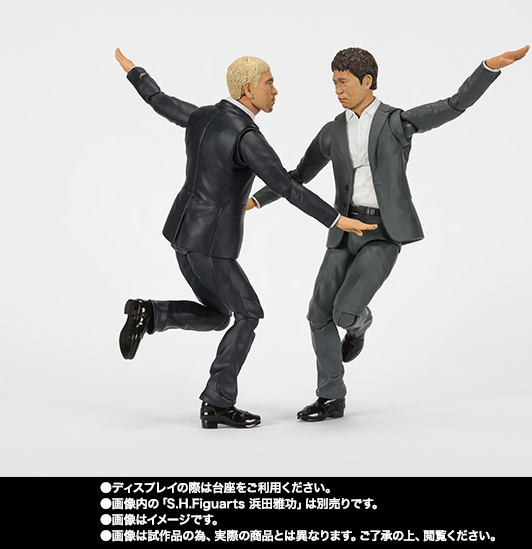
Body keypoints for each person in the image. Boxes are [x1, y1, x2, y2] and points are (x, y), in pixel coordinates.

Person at [249, 45, 529, 421]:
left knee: (344, 313)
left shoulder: (397, 123)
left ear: (367, 81)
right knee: (318, 313)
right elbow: (298, 175)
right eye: (334, 82)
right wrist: (256, 200)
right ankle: (331, 397)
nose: (338, 90)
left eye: (344, 82)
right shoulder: (332, 131)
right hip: (343, 231)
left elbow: (454, 104)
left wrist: (488, 68)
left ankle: (360, 324)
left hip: (382, 234)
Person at [114, 48, 376, 429]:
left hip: (181, 234)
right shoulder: (246, 137)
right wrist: (337, 219)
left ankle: (151, 314)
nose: (275, 90)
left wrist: (135, 72)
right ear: (249, 89)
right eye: (270, 83)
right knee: (248, 313)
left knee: (220, 315)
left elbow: (159, 100)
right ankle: (217, 402)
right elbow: (288, 186)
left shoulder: (203, 116)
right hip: (212, 245)